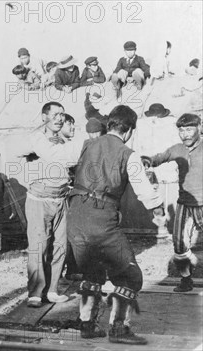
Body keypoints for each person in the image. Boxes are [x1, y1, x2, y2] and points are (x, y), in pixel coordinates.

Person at [67, 105, 163, 344]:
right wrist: (158, 207)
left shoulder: (87, 146)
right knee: (130, 276)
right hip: (101, 219)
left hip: (75, 216)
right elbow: (143, 188)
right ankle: (119, 329)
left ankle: (87, 325)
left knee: (93, 271)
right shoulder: (127, 152)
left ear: (109, 124)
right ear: (129, 130)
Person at [25, 102, 82, 308]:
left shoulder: (65, 139)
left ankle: (52, 289)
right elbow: (59, 157)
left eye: (62, 115)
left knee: (60, 246)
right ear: (44, 117)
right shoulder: (35, 138)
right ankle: (35, 292)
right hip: (40, 199)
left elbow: (74, 159)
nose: (59, 118)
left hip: (61, 198)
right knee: (39, 245)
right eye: (55, 114)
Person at [142, 114, 202, 292]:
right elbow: (159, 158)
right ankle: (186, 280)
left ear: (200, 127)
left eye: (189, 129)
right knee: (179, 244)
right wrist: (147, 161)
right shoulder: (177, 148)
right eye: (181, 130)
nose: (185, 134)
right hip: (184, 203)